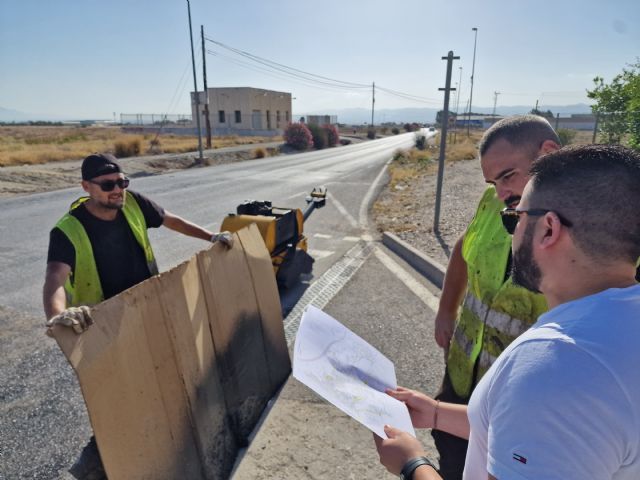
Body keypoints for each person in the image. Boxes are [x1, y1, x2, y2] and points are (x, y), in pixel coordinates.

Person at [375, 144, 640, 479]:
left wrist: (412, 464)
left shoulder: (556, 366)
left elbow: (545, 414)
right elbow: (527, 429)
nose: (511, 232)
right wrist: (437, 413)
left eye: (514, 218)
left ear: (548, 229)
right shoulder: (620, 324)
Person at [43, 152, 232, 479]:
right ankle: (95, 466)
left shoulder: (133, 203)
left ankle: (156, 443)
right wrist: (59, 314)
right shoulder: (67, 230)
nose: (117, 190)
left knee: (156, 379)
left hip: (147, 311)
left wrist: (211, 236)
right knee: (117, 400)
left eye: (122, 182)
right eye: (107, 185)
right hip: (102, 327)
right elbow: (55, 280)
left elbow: (171, 220)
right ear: (86, 186)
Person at [431, 115, 560, 479]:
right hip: (460, 380)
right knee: (451, 457)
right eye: (492, 181)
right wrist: (446, 310)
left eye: (507, 176)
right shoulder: (493, 201)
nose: (501, 192)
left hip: (518, 406)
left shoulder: (593, 232)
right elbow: (463, 248)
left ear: (548, 153)